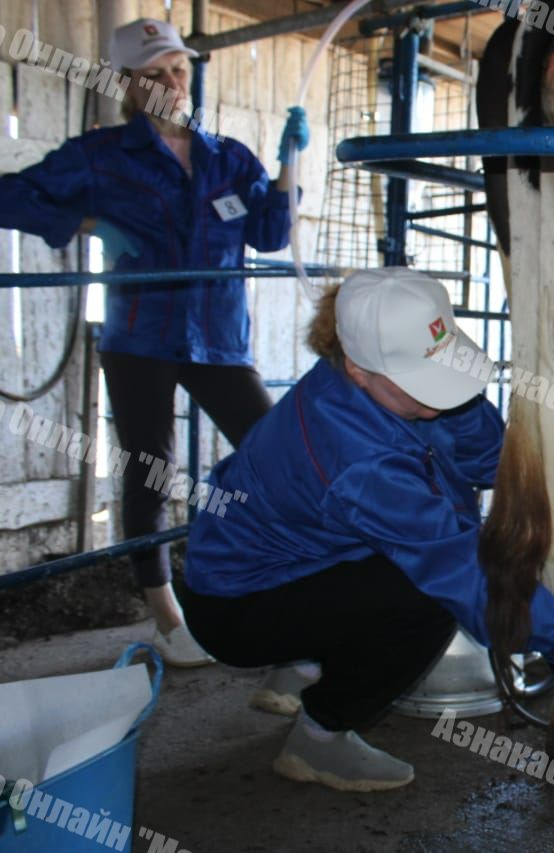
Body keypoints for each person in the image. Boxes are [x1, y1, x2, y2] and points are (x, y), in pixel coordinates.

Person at [179, 267, 554, 792]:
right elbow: (459, 570)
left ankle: (304, 664)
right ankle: (319, 737)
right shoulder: (358, 459)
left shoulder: (378, 385)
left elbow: (487, 455)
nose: (439, 396)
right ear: (358, 369)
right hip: (235, 605)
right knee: (424, 599)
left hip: (297, 560)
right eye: (423, 382)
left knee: (393, 564)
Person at [0, 18, 310, 666]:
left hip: (218, 339)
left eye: (177, 69)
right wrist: (89, 221)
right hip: (140, 335)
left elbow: (269, 235)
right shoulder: (101, 155)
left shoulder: (228, 157)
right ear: (126, 84)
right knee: (150, 470)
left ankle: (280, 586)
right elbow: (12, 196)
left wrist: (287, 167)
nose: (172, 83)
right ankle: (167, 617)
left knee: (276, 451)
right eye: (154, 74)